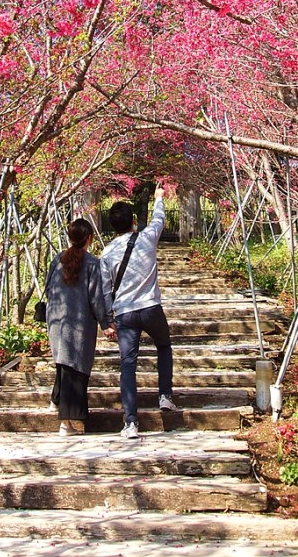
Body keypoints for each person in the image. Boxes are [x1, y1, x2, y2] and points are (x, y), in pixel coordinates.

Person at [100, 184, 178, 439]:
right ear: (133, 220)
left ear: (112, 225)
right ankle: (165, 396)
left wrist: (107, 320)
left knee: (127, 365)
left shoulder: (107, 252)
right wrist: (159, 198)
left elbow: (105, 290)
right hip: (150, 307)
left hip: (125, 313)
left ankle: (131, 422)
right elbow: (159, 219)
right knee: (163, 346)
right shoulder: (146, 238)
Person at [45, 218, 115, 437]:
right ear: (90, 238)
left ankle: (55, 401)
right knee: (74, 369)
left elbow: (47, 288)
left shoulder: (57, 259)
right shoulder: (92, 263)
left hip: (56, 320)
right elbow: (96, 298)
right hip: (79, 324)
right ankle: (66, 424)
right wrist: (106, 323)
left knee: (64, 362)